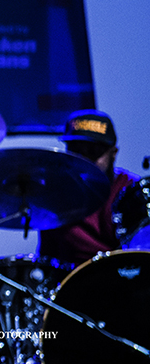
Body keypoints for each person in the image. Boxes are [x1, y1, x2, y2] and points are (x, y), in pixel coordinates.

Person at [38, 109, 138, 266]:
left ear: (113, 153)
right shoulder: (55, 196)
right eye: (76, 152)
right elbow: (48, 260)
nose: (84, 161)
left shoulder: (131, 191)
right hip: (73, 284)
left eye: (93, 152)